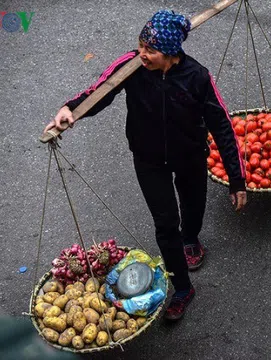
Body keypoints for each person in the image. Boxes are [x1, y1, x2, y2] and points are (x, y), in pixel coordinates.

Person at [43, 10, 247, 321]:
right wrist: (70, 110)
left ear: (171, 53)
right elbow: (100, 92)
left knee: (193, 207)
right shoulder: (131, 65)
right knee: (166, 224)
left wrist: (237, 179)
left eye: (150, 51)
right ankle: (182, 288)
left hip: (190, 154)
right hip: (149, 159)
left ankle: (191, 238)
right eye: (141, 47)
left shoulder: (197, 77)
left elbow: (222, 126)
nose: (143, 55)